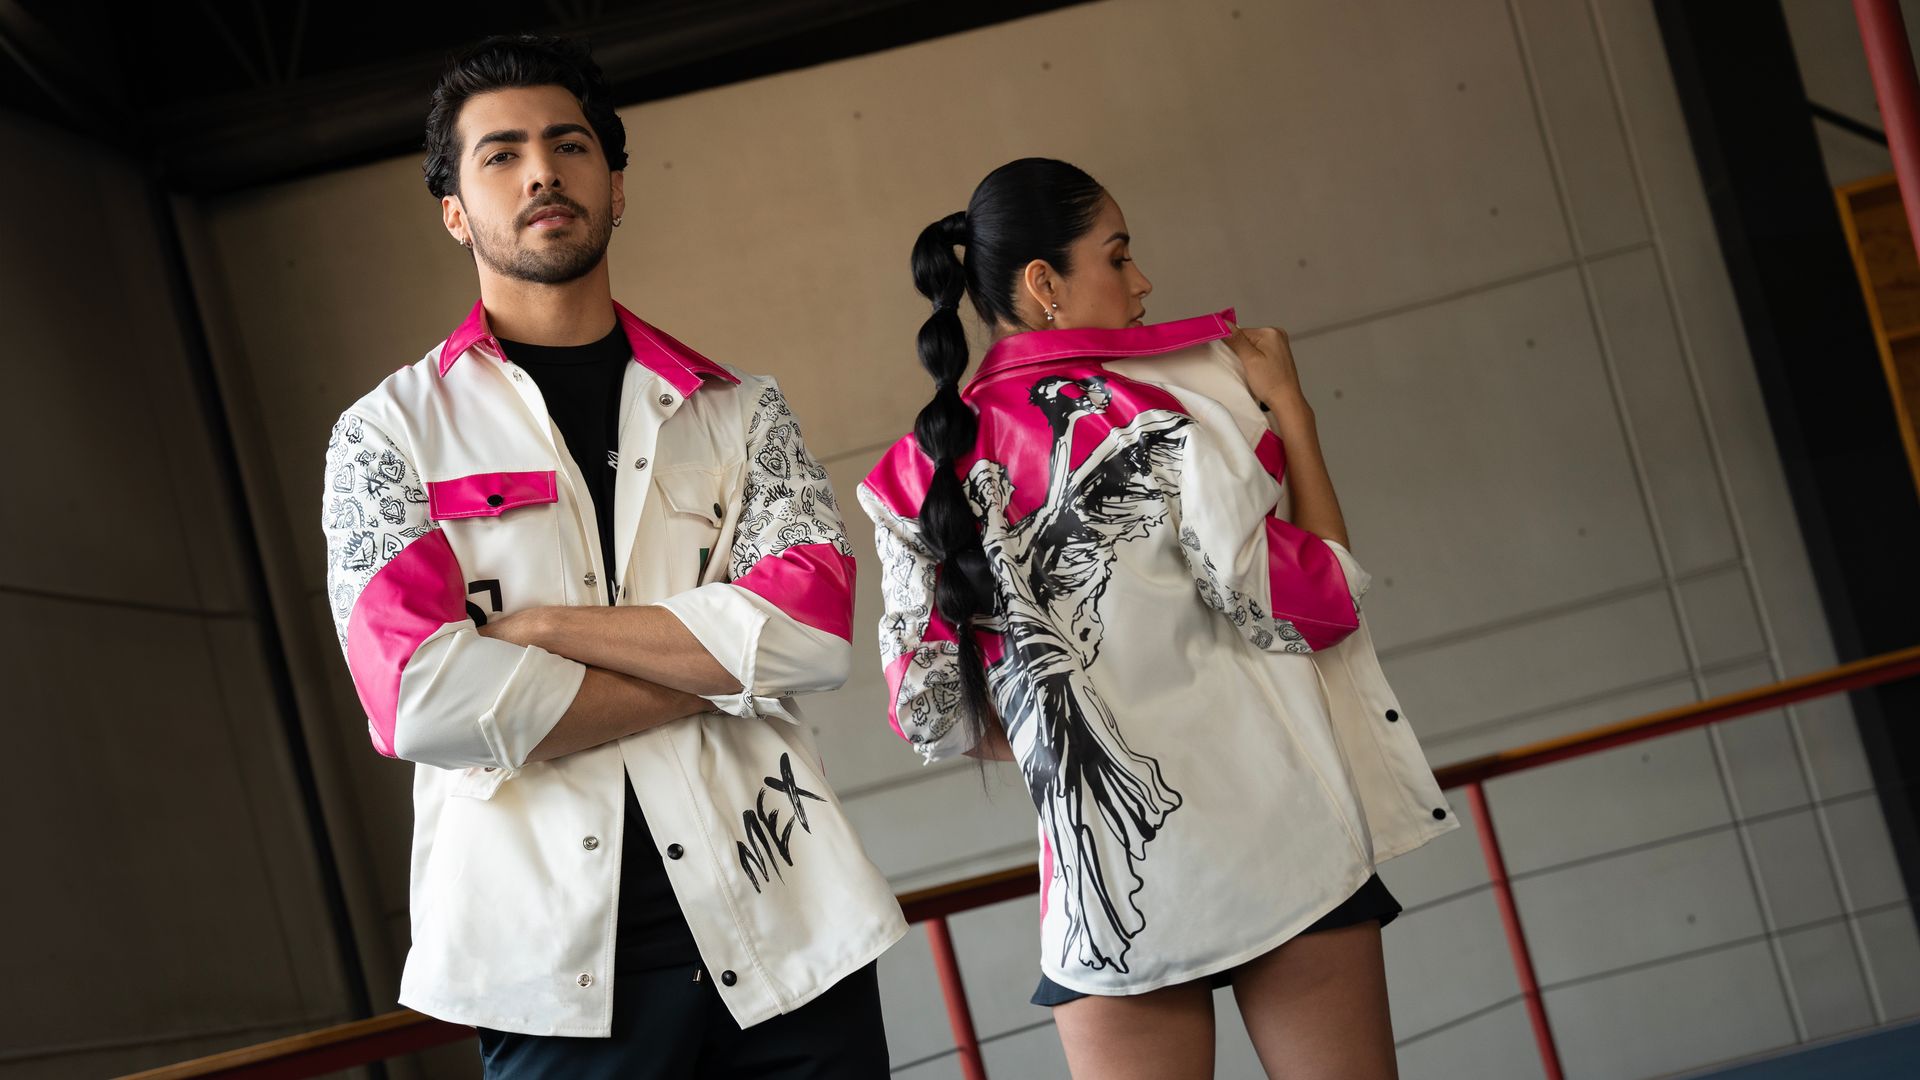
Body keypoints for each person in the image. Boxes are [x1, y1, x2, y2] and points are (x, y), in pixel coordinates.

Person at [320, 35, 902, 1079]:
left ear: (616, 187)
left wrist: (543, 630)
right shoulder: (386, 436)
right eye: (501, 155)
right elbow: (416, 699)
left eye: (569, 145)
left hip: (788, 932)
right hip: (553, 976)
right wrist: (716, 669)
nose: (541, 172)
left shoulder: (737, 410)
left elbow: (811, 633)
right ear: (454, 211)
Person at [858, 157, 1457, 1079]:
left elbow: (932, 717)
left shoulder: (911, 476)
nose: (1142, 283)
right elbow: (1318, 605)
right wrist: (1292, 410)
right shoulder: (1153, 415)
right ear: (1044, 283)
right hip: (1278, 847)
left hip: (1108, 899)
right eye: (1118, 256)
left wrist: (1075, 718)